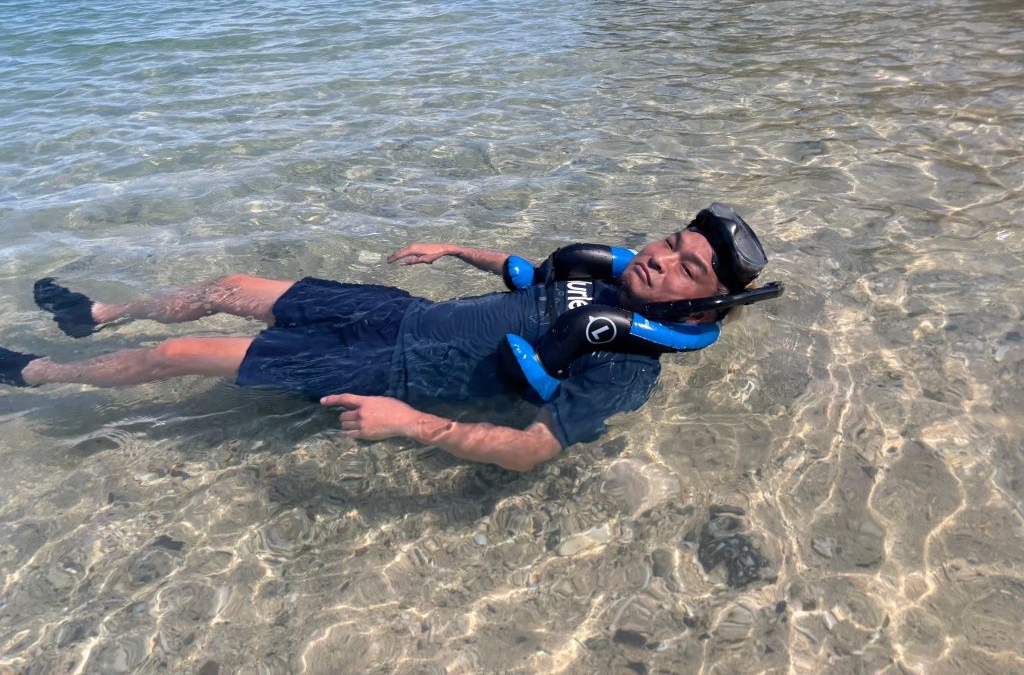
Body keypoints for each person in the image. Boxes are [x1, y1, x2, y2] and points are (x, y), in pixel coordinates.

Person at [0, 204, 775, 473]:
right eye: (671, 242)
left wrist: (412, 424)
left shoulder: (626, 365)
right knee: (227, 287)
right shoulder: (608, 281)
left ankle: (36, 373)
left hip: (388, 364)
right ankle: (98, 313)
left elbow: (532, 449)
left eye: (686, 268)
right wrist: (453, 249)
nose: (660, 259)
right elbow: (527, 274)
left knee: (174, 358)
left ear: (705, 304)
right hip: (395, 311)